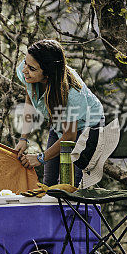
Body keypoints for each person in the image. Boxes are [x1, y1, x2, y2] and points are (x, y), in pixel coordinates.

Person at [14, 39, 104, 186]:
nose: (24, 70)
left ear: (48, 74)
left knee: (76, 184)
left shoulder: (73, 94)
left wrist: (40, 158)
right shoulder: (28, 72)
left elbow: (70, 135)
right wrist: (24, 138)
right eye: (25, 62)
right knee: (49, 181)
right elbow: (30, 100)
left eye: (31, 68)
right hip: (59, 122)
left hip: (87, 126)